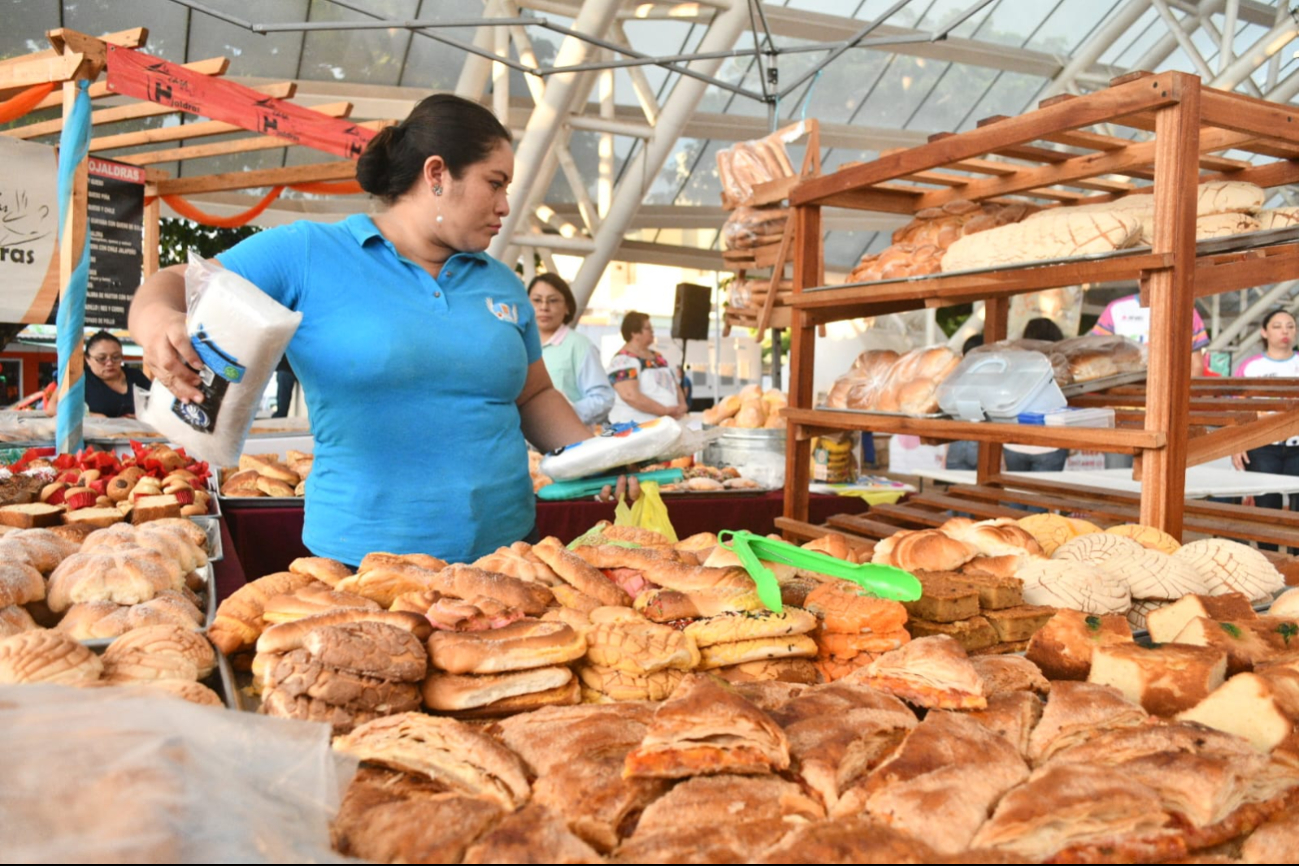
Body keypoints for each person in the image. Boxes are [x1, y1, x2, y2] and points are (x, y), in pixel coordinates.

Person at [128, 94, 592, 566]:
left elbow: (534, 396)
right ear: (436, 174)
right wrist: (160, 323)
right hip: (362, 559)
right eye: (494, 184)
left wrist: (597, 459)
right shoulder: (309, 253)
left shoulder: (503, 283)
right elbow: (170, 284)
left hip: (508, 552)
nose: (505, 205)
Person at [1091, 293, 1210, 469]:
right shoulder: (1116, 309)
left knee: (1159, 478)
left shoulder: (1186, 311)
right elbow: (1098, 358)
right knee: (1120, 479)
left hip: (1165, 414)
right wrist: (1107, 399)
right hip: (1122, 412)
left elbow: (1195, 367)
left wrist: (1179, 407)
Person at [1232, 308, 1299, 549]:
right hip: (1262, 448)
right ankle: (1270, 563)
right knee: (1266, 509)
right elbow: (1238, 411)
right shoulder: (1250, 367)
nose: (1285, 331)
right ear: (1264, 331)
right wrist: (1236, 444)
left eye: (1290, 326)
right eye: (1278, 326)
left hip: (1297, 447)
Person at [527, 272, 614, 427]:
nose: (544, 307)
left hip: (568, 442)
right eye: (536, 300)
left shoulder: (579, 345)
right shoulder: (519, 344)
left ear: (567, 307)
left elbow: (603, 398)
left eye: (553, 301)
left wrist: (565, 414)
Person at [1003, 317, 1070, 474]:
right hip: (1051, 443)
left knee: (1016, 494)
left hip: (1014, 442)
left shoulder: (1014, 364)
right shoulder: (1061, 367)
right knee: (1044, 497)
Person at [43, 331, 151, 418]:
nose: (109, 363)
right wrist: (92, 416)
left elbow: (157, 405)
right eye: (101, 358)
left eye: (116, 357)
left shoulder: (136, 377)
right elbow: (52, 409)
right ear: (88, 359)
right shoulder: (78, 378)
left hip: (136, 438)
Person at [607, 311, 689, 424]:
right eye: (648, 328)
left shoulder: (657, 356)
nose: (652, 331)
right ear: (634, 333)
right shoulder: (622, 361)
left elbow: (673, 383)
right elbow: (629, 395)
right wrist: (663, 410)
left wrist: (682, 404)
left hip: (666, 424)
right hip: (638, 427)